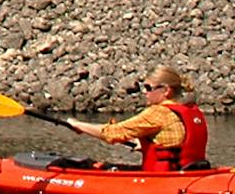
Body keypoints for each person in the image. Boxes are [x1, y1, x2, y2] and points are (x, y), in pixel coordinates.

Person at [65, 65, 211, 171]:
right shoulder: (191, 110)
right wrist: (141, 143)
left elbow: (112, 133)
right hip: (191, 172)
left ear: (166, 90)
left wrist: (78, 124)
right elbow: (170, 140)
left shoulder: (158, 113)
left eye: (148, 88)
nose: (145, 92)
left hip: (164, 180)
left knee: (63, 163)